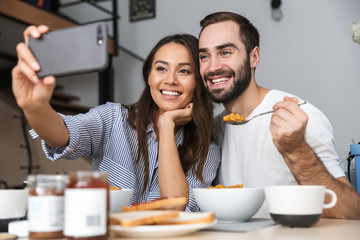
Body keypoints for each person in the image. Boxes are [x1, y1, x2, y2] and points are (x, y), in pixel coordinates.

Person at [12, 25, 221, 212]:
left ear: (198, 82)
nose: (171, 80)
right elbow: (62, 135)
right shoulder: (113, 118)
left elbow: (176, 203)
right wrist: (35, 106)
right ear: (149, 76)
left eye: (184, 71)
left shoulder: (206, 150)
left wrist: (166, 126)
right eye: (161, 68)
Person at [198, 11, 360, 219]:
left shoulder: (298, 117)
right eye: (204, 56)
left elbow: (352, 213)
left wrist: (297, 149)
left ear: (254, 57)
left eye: (225, 52)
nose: (213, 67)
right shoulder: (213, 129)